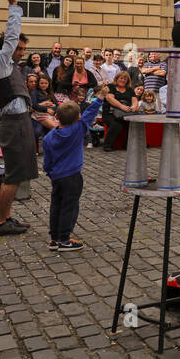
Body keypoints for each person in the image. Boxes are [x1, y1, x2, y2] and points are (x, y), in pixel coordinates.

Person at [0, 0, 44, 237]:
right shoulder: (0, 63)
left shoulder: (11, 68)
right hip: (12, 123)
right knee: (12, 175)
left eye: (22, 48)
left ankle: (6, 217)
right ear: (5, 49)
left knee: (20, 173)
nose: (21, 52)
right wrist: (14, 7)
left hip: (21, 121)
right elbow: (10, 37)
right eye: (19, 48)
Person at [42, 86, 106, 252]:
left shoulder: (49, 137)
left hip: (56, 177)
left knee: (56, 204)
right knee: (69, 206)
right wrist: (100, 96)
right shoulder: (79, 129)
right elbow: (90, 112)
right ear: (78, 117)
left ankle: (54, 238)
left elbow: (47, 161)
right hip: (72, 176)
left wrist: (49, 172)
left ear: (56, 116)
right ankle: (64, 239)